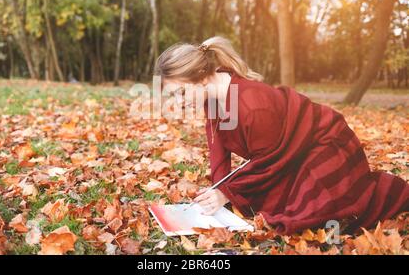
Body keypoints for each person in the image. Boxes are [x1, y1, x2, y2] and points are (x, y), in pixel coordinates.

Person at [153, 36, 409, 235]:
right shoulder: (215, 100)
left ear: (202, 78)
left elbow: (270, 161)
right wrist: (218, 189)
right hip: (286, 153)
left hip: (325, 146)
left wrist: (227, 194)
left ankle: (386, 193)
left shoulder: (252, 105)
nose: (180, 103)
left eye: (182, 93)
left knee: (304, 217)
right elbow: (218, 147)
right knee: (261, 206)